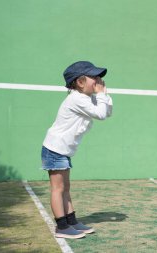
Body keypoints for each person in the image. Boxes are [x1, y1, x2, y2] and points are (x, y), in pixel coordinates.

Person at [41, 61, 113, 239]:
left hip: (62, 150)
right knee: (58, 188)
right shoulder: (76, 99)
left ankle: (71, 221)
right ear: (80, 82)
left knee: (66, 187)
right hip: (55, 149)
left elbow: (107, 111)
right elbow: (101, 114)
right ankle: (62, 227)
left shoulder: (85, 98)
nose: (98, 81)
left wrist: (104, 94)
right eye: (94, 77)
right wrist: (101, 94)